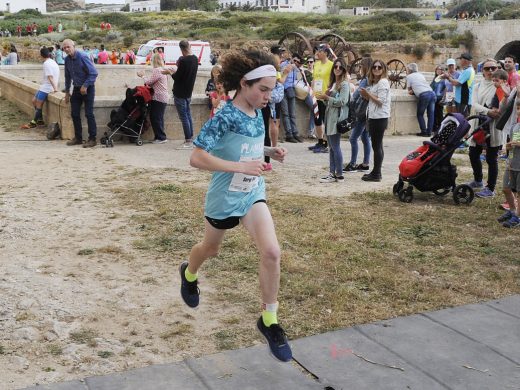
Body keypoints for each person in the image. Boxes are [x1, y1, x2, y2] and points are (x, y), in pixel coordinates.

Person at [180, 49, 292, 362]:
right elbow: (197, 157)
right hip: (223, 196)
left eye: (272, 89)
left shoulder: (258, 111)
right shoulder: (226, 115)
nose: (269, 96)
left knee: (271, 251)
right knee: (210, 250)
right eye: (264, 89)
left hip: (252, 192)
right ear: (244, 84)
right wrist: (239, 167)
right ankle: (189, 274)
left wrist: (270, 152)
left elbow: (249, 148)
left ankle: (269, 319)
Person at [467, 59, 505, 198]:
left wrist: (495, 111)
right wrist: (487, 111)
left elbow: (503, 105)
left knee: (491, 158)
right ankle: (478, 180)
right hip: (480, 124)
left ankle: (491, 188)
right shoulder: (478, 85)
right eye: (487, 69)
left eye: (493, 68)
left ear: (497, 69)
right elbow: (474, 104)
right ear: (482, 71)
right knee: (473, 153)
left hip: (494, 126)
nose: (490, 71)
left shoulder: (501, 87)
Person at [316, 58, 350, 183]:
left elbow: (342, 101)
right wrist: (325, 98)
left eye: (340, 67)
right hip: (330, 118)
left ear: (344, 69)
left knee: (335, 147)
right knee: (332, 147)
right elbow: (331, 101)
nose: (337, 69)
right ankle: (332, 173)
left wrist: (327, 97)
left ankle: (339, 174)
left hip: (336, 120)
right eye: (336, 66)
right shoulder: (334, 83)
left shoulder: (344, 84)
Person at [62, 39, 99, 148]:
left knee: (89, 114)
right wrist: (67, 92)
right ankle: (78, 138)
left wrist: (85, 85)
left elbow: (93, 73)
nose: (66, 49)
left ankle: (92, 139)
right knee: (74, 114)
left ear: (74, 46)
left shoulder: (82, 56)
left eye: (68, 47)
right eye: (64, 48)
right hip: (77, 89)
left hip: (88, 89)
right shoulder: (67, 60)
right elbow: (67, 77)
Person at [359, 59, 391, 182]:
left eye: (379, 67)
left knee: (376, 146)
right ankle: (376, 172)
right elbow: (375, 100)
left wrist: (368, 94)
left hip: (379, 117)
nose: (376, 69)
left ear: (383, 69)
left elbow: (380, 101)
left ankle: (376, 173)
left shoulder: (382, 82)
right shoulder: (376, 83)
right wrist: (367, 95)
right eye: (374, 67)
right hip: (376, 116)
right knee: (378, 145)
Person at [164, 40, 198, 149]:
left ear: (181, 49)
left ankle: (188, 141)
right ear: (189, 46)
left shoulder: (184, 60)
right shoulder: (195, 59)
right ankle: (191, 138)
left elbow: (177, 77)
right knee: (188, 115)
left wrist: (170, 72)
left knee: (184, 117)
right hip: (188, 92)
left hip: (180, 93)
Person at [20, 47, 60, 129]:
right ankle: (40, 120)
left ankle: (33, 122)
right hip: (44, 86)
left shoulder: (46, 64)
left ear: (41, 55)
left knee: (38, 104)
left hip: (48, 88)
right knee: (34, 100)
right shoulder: (52, 61)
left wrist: (55, 88)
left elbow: (50, 77)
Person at [344, 57, 372, 173]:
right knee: (365, 138)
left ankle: (352, 164)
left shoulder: (365, 79)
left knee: (353, 138)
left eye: (361, 66)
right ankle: (365, 163)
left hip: (361, 113)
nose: (359, 68)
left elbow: (356, 95)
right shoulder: (371, 79)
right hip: (368, 112)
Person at [498, 99, 520, 227]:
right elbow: (510, 145)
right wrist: (508, 148)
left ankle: (517, 217)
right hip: (512, 164)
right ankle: (512, 211)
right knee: (506, 188)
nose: (519, 111)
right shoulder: (514, 127)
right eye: (518, 108)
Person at [138, 53, 169, 144]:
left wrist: (142, 76)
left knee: (155, 117)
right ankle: (160, 136)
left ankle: (161, 137)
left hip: (158, 97)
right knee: (159, 117)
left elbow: (148, 82)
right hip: (164, 96)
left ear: (154, 60)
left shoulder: (157, 70)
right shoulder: (163, 70)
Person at [309, 44, 334, 153]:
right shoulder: (317, 64)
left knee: (325, 120)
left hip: (325, 96)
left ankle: (325, 143)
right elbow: (314, 79)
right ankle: (320, 141)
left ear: (326, 53)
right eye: (317, 50)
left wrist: (328, 92)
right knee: (317, 120)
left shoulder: (331, 65)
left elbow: (333, 80)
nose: (318, 53)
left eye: (320, 51)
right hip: (316, 96)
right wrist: (311, 91)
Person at [406, 63, 436, 137]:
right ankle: (429, 132)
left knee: (420, 114)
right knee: (431, 114)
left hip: (424, 95)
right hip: (432, 93)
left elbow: (409, 90)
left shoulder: (409, 76)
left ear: (410, 69)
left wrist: (414, 90)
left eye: (407, 69)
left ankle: (423, 131)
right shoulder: (421, 75)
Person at [279, 51, 303, 142]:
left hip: (291, 90)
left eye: (298, 62)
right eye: (295, 60)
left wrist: (296, 66)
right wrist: (288, 66)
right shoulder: (283, 64)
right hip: (283, 90)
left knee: (292, 114)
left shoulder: (295, 67)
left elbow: (299, 76)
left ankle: (295, 133)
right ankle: (289, 134)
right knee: (286, 114)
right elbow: (281, 72)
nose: (296, 63)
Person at [430, 64, 447, 134]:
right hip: (434, 98)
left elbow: (446, 89)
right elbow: (431, 87)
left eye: (439, 69)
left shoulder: (444, 79)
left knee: (439, 114)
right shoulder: (435, 79)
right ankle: (434, 129)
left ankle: (440, 129)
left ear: (442, 71)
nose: (438, 70)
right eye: (437, 69)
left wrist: (443, 98)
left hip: (440, 98)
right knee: (434, 114)